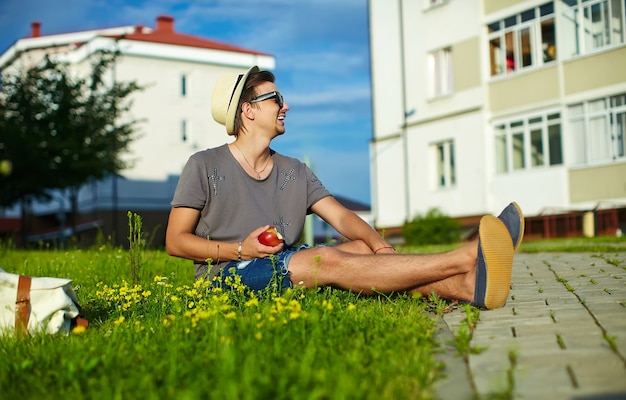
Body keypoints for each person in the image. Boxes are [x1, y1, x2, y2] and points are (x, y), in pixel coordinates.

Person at [165, 66, 524, 309]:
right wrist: (240, 249)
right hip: (224, 277)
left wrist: (380, 247)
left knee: (359, 248)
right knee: (327, 259)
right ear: (248, 111)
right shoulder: (205, 165)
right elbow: (176, 241)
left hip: (286, 261)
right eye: (275, 99)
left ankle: (466, 287)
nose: (285, 105)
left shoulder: (294, 171)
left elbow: (341, 216)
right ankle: (465, 257)